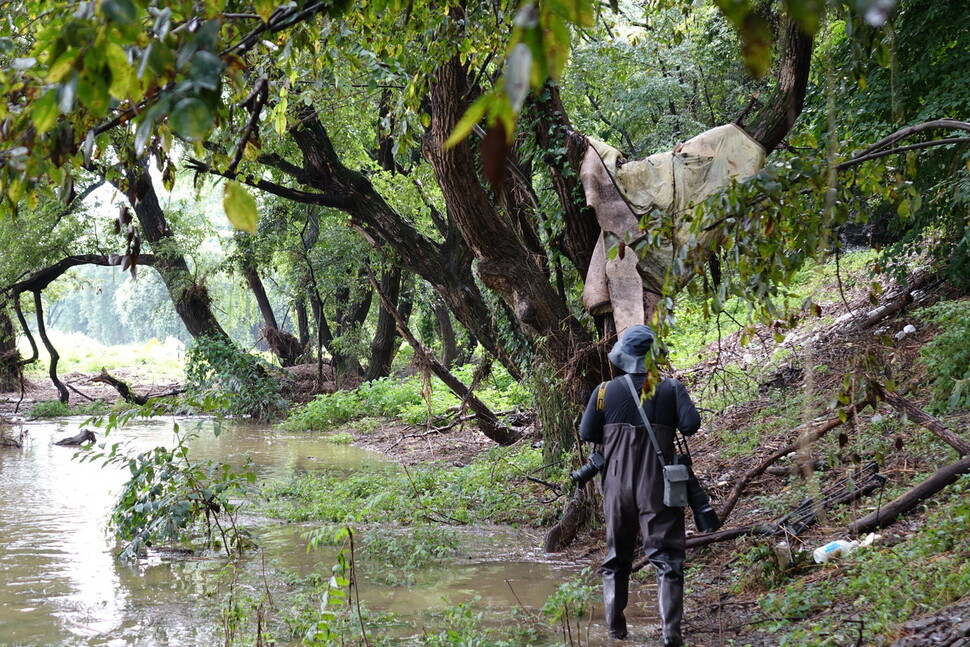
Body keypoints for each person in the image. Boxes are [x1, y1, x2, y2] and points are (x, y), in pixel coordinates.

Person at [578, 324, 701, 645]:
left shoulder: (604, 391)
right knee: (668, 558)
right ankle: (671, 634)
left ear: (624, 357)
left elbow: (587, 433)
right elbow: (691, 425)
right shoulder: (672, 388)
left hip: (616, 487)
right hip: (658, 487)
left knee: (617, 557)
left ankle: (616, 632)